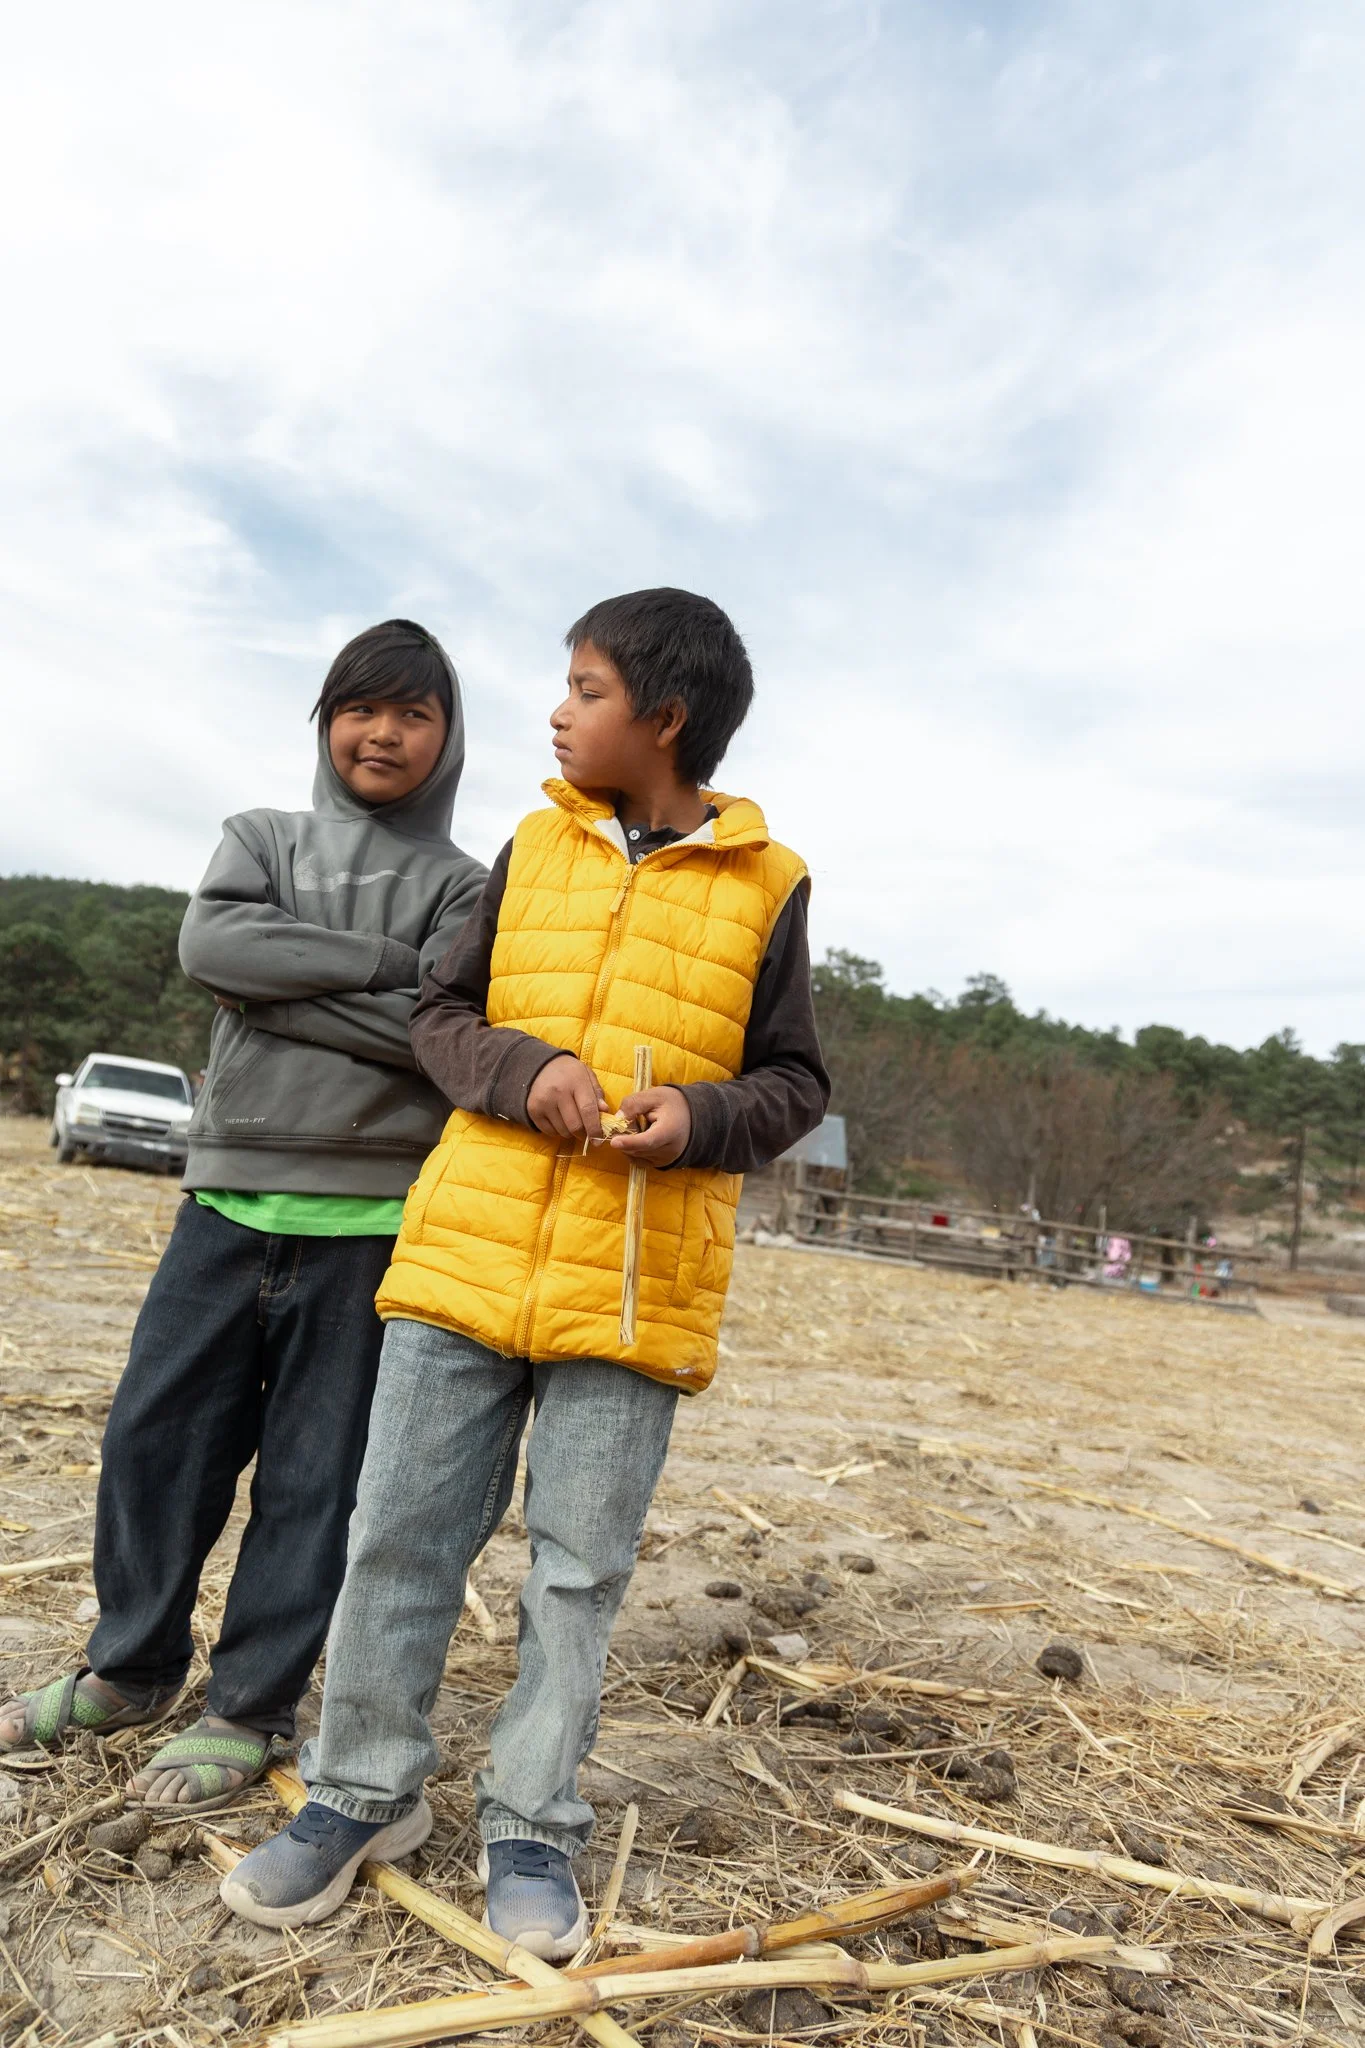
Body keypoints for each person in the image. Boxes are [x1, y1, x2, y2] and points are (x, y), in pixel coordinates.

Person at [222, 588, 829, 1947]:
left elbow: (794, 1080)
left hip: (632, 1285)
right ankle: (362, 1790)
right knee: (398, 1539)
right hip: (468, 1254)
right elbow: (441, 1017)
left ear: (662, 721)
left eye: (586, 688)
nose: (557, 711)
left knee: (576, 1573)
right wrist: (526, 1069)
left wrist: (703, 1118)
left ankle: (531, 1821)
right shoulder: (529, 849)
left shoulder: (770, 885)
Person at [0, 621, 487, 1812]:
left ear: (447, 735)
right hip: (222, 1202)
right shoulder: (259, 835)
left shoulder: (468, 886)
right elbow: (211, 940)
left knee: (316, 1478)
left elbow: (436, 1040)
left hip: (371, 1219)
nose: (383, 732)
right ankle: (131, 1666)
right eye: (361, 707)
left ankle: (248, 1704)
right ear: (326, 719)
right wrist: (378, 963)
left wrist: (278, 990)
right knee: (154, 1443)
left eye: (412, 713)